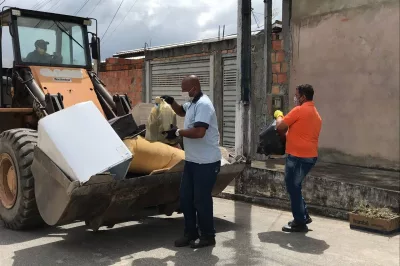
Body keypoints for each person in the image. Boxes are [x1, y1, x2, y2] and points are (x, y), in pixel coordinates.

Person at [161, 75, 221, 249]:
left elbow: (199, 132)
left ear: (194, 88)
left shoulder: (204, 105)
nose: (185, 94)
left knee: (201, 200)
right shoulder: (193, 103)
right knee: (186, 198)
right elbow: (181, 111)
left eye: (186, 91)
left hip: (207, 163)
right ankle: (190, 233)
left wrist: (178, 132)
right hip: (193, 161)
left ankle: (208, 236)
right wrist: (171, 102)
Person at [276, 84, 322, 232]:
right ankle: (304, 216)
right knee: (295, 187)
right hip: (310, 157)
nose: (295, 98)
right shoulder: (316, 114)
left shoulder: (299, 110)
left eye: (297, 95)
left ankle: (299, 222)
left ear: (303, 97)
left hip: (297, 157)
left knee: (292, 186)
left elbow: (280, 126)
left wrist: (278, 115)